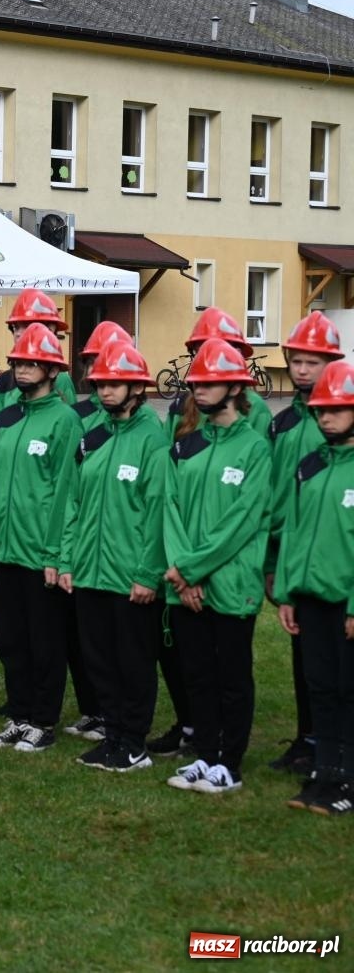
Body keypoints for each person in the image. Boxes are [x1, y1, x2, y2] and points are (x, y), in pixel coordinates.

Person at [163, 338, 271, 796]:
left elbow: (242, 520)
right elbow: (170, 510)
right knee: (198, 674)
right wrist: (183, 571)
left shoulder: (254, 448)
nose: (198, 390)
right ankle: (204, 753)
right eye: (196, 383)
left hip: (230, 583)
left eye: (208, 383)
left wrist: (192, 567)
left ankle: (231, 762)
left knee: (231, 675)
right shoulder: (186, 445)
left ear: (233, 386)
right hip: (188, 586)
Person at [58, 339, 168, 772]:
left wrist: (147, 573)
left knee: (133, 663)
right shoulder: (94, 435)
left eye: (115, 384)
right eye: (101, 383)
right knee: (99, 660)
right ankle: (113, 735)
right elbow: (74, 503)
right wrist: (69, 561)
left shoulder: (152, 440)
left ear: (136, 389)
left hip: (129, 576)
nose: (105, 391)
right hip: (90, 571)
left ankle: (134, 742)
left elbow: (158, 512)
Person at [0, 323, 84, 753]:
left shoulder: (64, 421)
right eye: (19, 361)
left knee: (45, 641)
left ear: (52, 370)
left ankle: (43, 719)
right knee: (11, 640)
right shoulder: (6, 416)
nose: (23, 368)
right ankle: (18, 716)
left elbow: (67, 494)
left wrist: (57, 554)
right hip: (6, 549)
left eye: (33, 362)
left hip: (42, 553)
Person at [266, 311, 345, 777]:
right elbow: (278, 501)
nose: (301, 369)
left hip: (332, 561)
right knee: (305, 655)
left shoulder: (336, 426)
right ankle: (306, 736)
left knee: (337, 664)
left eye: (312, 362)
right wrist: (274, 560)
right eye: (296, 360)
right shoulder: (281, 426)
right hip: (293, 556)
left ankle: (331, 745)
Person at [276, 359, 354, 815]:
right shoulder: (310, 466)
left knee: (348, 691)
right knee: (321, 688)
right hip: (310, 599)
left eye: (336, 410)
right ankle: (323, 773)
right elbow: (294, 531)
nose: (325, 417)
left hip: (345, 602)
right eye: (321, 410)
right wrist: (287, 592)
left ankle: (347, 778)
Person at [167, 308, 271, 441]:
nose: (207, 360)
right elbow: (166, 457)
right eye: (202, 352)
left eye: (218, 352)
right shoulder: (180, 405)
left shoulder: (255, 407)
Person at [0, 289, 76, 406]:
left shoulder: (61, 379)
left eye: (27, 326)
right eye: (15, 327)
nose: (17, 333)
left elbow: (69, 418)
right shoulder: (5, 379)